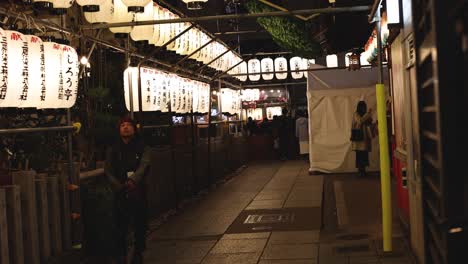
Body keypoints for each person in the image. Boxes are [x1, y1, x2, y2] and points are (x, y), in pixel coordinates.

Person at [105, 116, 151, 264]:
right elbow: (108, 170)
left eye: (128, 125)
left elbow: (144, 165)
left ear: (134, 128)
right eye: (122, 125)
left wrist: (133, 180)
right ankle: (121, 253)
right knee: (120, 223)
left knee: (139, 221)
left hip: (138, 189)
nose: (125, 127)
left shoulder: (142, 147)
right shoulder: (113, 149)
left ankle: (138, 251)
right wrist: (118, 185)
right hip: (119, 191)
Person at [351, 101, 373, 177]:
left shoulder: (364, 114)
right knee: (360, 156)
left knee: (364, 156)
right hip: (359, 139)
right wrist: (367, 114)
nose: (364, 108)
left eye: (365, 106)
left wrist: (369, 117)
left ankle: (363, 171)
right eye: (363, 107)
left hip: (364, 139)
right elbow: (360, 121)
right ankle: (360, 172)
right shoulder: (356, 114)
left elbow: (369, 122)